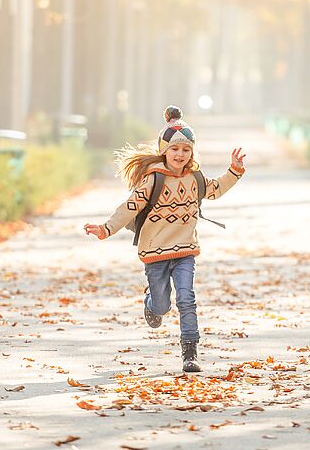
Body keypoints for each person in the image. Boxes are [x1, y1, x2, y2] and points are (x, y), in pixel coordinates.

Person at [84, 105, 246, 372]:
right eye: (174, 149)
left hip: (185, 250)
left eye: (186, 150)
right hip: (155, 252)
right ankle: (152, 302)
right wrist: (106, 229)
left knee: (186, 298)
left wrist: (234, 171)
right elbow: (130, 207)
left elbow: (215, 189)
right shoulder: (153, 179)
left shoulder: (195, 178)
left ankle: (190, 352)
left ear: (192, 152)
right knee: (162, 306)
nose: (180, 154)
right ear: (163, 150)